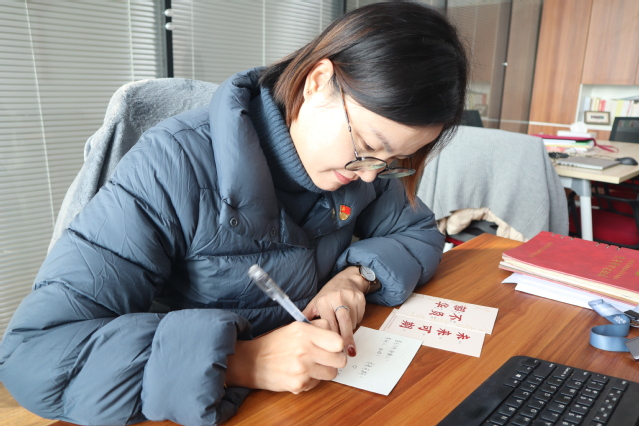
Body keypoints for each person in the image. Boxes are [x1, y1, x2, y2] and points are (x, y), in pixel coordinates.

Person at [0, 2, 467, 425]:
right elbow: (33, 355)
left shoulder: (363, 171)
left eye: (393, 161)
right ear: (317, 81)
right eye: (366, 145)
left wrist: (356, 277)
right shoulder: (171, 166)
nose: (369, 175)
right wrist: (245, 361)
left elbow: (419, 232)